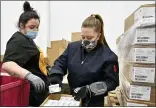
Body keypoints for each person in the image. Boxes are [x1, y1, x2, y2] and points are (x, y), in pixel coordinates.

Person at [48, 14, 119, 107]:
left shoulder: (108, 56)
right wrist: (55, 76)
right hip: (74, 98)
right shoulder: (72, 48)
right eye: (83, 37)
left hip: (94, 102)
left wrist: (90, 89)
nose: (85, 41)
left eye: (89, 38)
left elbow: (111, 82)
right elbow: (60, 63)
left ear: (98, 36)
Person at [2, 1, 49, 107]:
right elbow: (7, 64)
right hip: (30, 92)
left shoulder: (27, 40)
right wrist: (30, 76)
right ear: (22, 25)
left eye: (37, 27)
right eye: (32, 27)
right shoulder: (17, 40)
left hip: (38, 90)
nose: (35, 30)